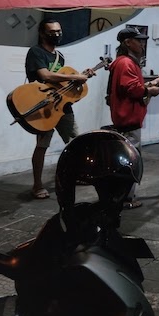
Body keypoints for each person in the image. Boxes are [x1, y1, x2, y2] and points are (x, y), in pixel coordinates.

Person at [25, 18, 95, 200]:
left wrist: (81, 77)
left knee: (75, 141)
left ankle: (78, 174)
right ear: (42, 33)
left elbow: (61, 83)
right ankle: (37, 185)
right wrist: (76, 77)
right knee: (42, 145)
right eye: (52, 32)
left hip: (62, 106)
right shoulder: (36, 52)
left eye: (58, 31)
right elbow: (45, 75)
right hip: (44, 105)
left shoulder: (60, 56)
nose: (56, 35)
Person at [107, 26, 159, 209]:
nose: (142, 44)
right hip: (128, 120)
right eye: (138, 41)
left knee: (127, 158)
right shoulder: (126, 63)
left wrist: (150, 84)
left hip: (126, 119)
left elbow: (131, 86)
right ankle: (125, 198)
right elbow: (132, 89)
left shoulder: (122, 62)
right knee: (131, 160)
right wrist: (151, 90)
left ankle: (122, 196)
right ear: (127, 42)